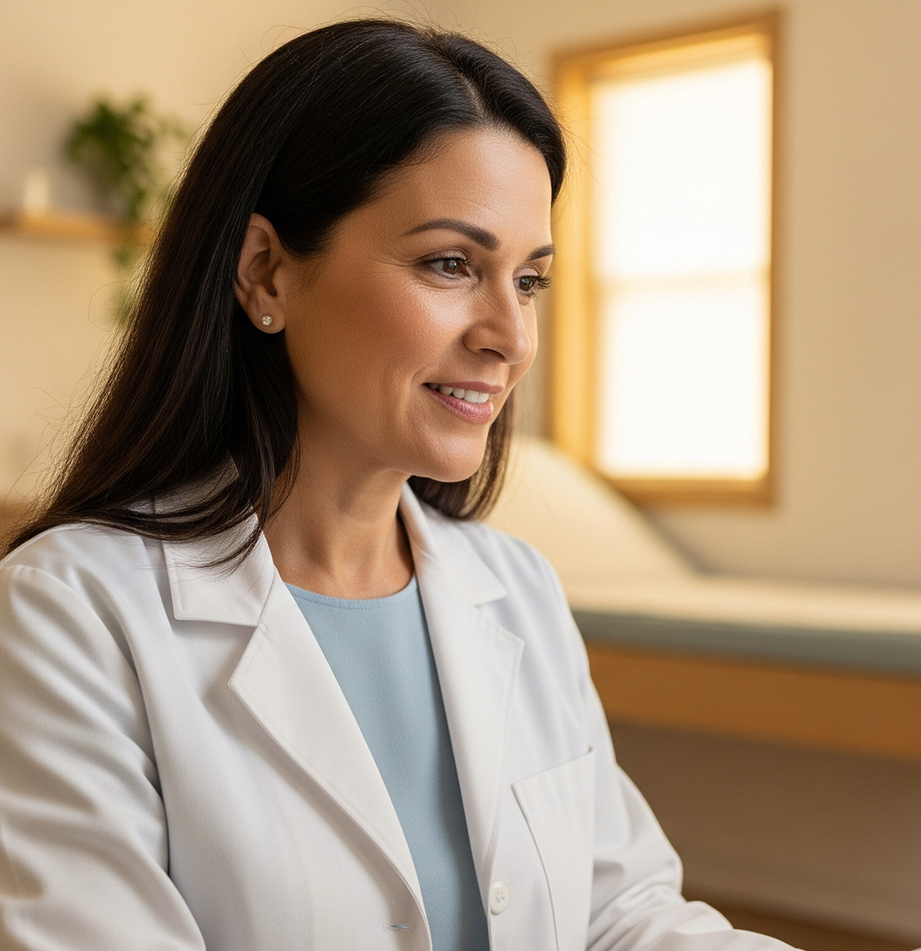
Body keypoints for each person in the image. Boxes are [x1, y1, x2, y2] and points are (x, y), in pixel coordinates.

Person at [0, 18, 799, 951]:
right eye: (450, 264)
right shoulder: (72, 612)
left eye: (528, 280)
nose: (510, 336)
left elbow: (620, 915)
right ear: (265, 272)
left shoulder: (518, 589)